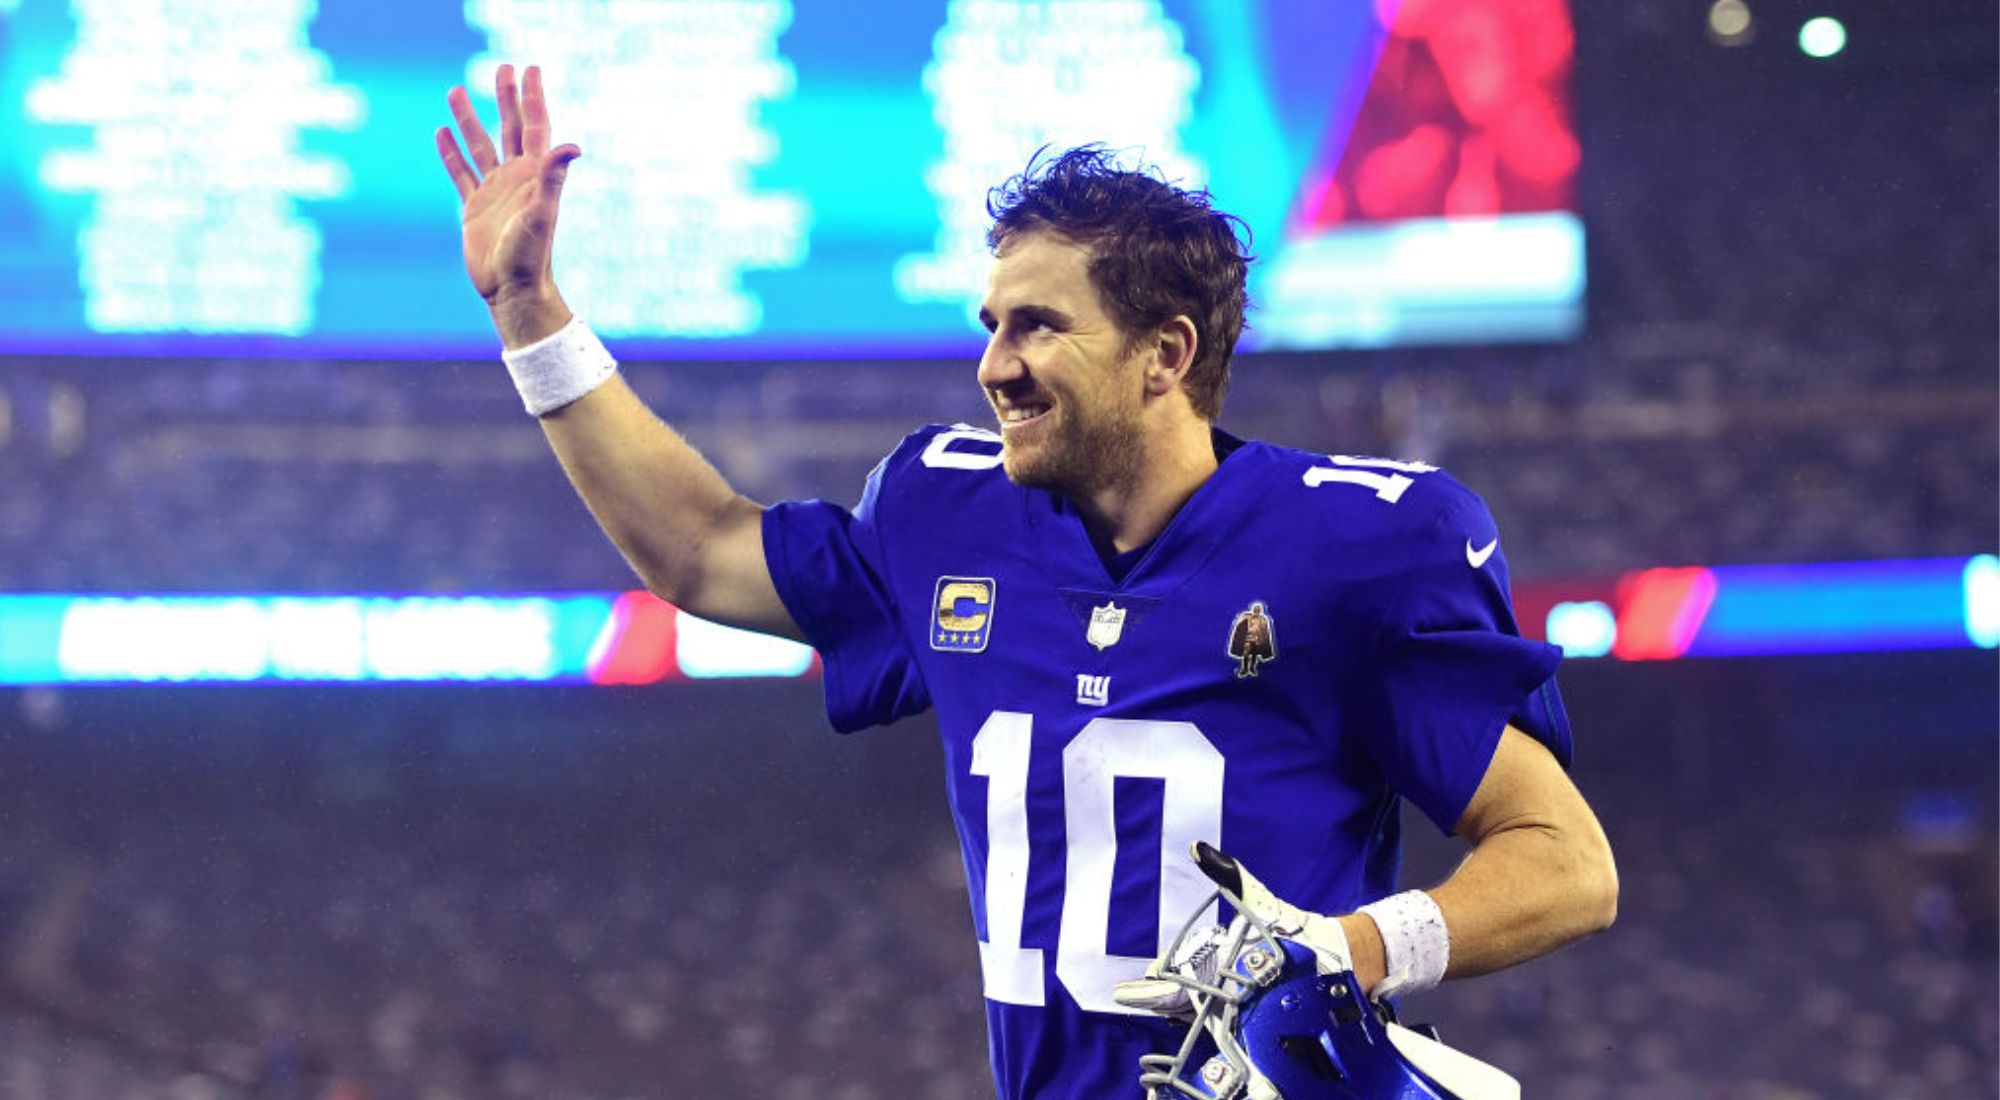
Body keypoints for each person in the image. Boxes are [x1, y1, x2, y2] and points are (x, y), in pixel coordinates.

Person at [436, 64, 1617, 1100]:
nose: (995, 365)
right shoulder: (944, 512)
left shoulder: (1363, 543)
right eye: (992, 323)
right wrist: (529, 312)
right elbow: (698, 548)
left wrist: (1353, 946)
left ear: (1166, 352)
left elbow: (1565, 860)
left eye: (1039, 327)